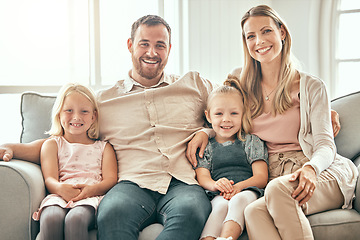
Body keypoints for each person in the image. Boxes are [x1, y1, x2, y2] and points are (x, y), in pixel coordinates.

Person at [0, 15, 212, 240]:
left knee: (192, 211)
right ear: (130, 45)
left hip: (182, 183)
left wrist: (205, 131)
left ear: (169, 49)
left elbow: (236, 108)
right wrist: (11, 147)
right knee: (112, 214)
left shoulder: (194, 85)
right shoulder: (102, 102)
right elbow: (64, 142)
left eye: (160, 45)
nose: (152, 52)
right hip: (131, 184)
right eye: (144, 44)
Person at [187, 5, 358, 240]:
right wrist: (205, 132)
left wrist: (311, 168)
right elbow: (222, 114)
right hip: (275, 175)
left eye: (266, 31)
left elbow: (325, 145)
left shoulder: (311, 86)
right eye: (251, 36)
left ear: (282, 33)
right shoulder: (240, 81)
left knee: (276, 190)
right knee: (253, 211)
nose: (259, 41)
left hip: (318, 171)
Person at [32, 83, 118, 240]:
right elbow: (49, 178)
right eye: (69, 110)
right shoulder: (52, 144)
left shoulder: (104, 147)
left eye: (84, 111)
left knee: (75, 220)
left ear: (93, 117)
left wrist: (90, 190)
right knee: (51, 218)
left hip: (90, 197)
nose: (76, 117)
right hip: (59, 194)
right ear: (59, 114)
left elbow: (111, 179)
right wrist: (60, 188)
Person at [195, 85, 268, 240]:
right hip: (220, 193)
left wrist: (238, 187)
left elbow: (261, 176)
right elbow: (202, 176)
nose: (226, 119)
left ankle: (227, 238)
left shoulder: (251, 141)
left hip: (247, 190)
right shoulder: (206, 146)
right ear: (208, 116)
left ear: (243, 114)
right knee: (220, 206)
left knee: (239, 200)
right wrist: (215, 185)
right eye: (219, 113)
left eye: (234, 113)